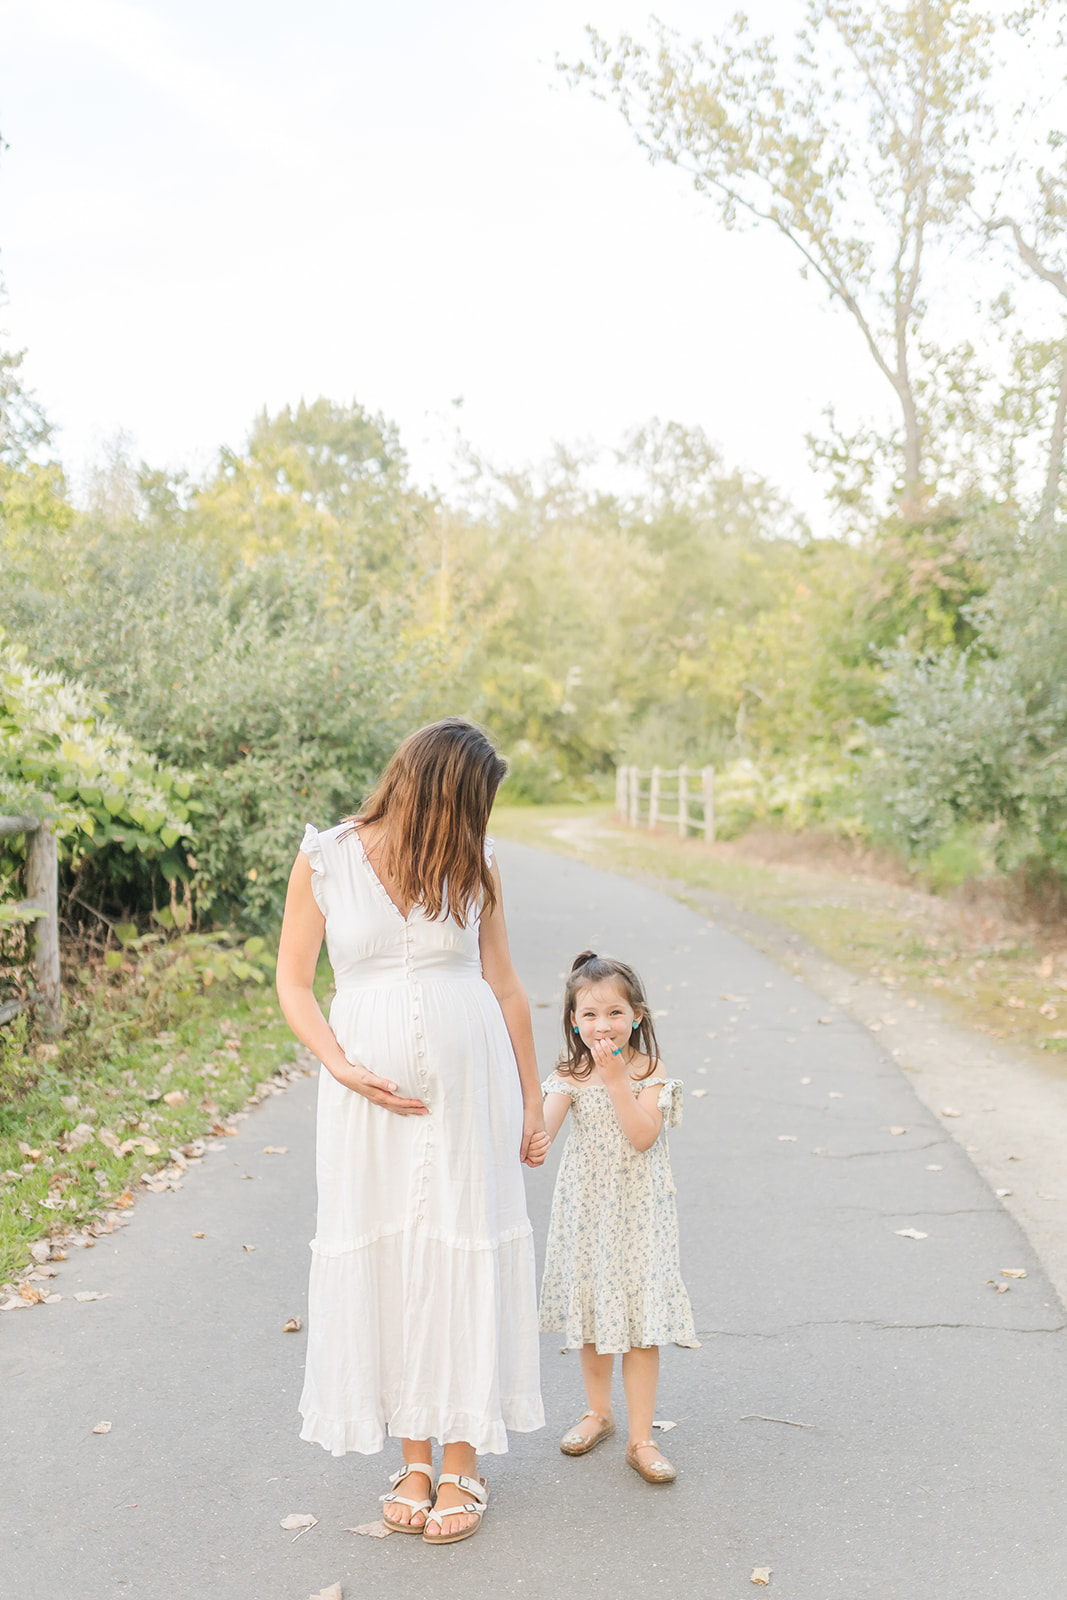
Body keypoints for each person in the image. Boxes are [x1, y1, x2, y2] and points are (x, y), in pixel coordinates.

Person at [276, 719, 548, 1546]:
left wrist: (532, 1101)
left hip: (471, 1095)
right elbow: (292, 983)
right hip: (365, 1102)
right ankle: (414, 1457)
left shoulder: (479, 862)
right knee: (389, 1252)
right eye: (473, 804)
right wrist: (338, 1062)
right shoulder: (323, 857)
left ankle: (462, 1455)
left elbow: (504, 988)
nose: (481, 823)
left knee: (458, 1246)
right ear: (437, 789)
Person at [538, 950, 699, 1484]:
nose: (602, 1025)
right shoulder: (568, 1073)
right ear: (572, 1020)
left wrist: (613, 1082)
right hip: (587, 1211)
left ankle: (641, 1438)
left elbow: (642, 1135)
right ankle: (598, 1412)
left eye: (614, 1013)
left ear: (637, 1017)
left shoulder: (649, 1071)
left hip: (638, 1214)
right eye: (588, 1014)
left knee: (640, 1328)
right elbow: (541, 1135)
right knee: (590, 1316)